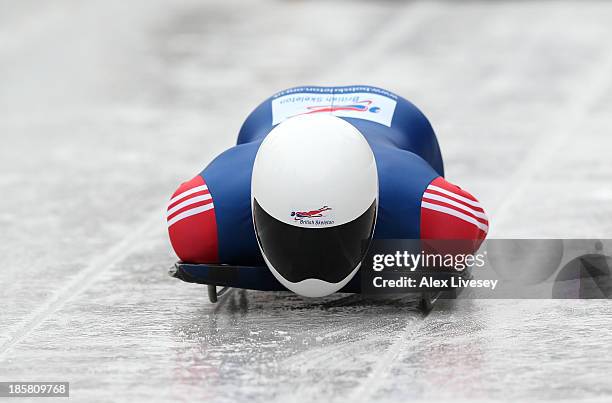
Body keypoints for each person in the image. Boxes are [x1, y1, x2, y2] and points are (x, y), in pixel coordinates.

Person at [166, 85, 488, 297]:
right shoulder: (201, 218)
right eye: (287, 234)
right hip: (281, 115)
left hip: (399, 120)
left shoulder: (432, 212)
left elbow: (470, 219)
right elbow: (476, 221)